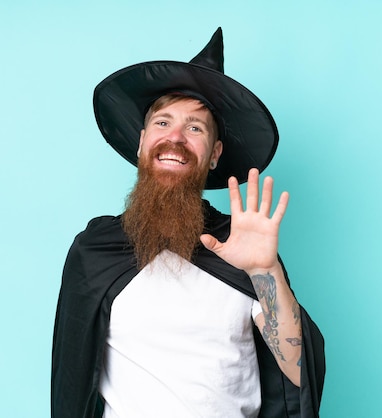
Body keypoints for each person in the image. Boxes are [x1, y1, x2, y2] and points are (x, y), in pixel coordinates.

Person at [51, 28, 325, 418]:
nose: (175, 138)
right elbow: (71, 381)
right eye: (163, 123)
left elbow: (296, 373)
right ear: (143, 140)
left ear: (214, 154)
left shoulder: (240, 244)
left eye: (194, 128)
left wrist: (265, 271)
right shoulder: (96, 249)